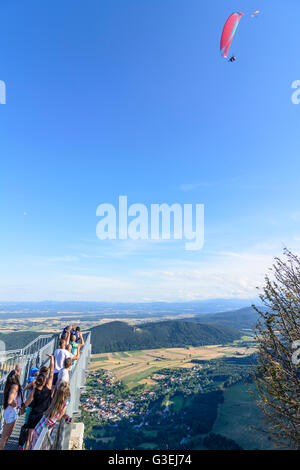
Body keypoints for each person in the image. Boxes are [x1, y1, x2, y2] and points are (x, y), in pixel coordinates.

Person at [24, 354, 54, 450]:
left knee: (29, 439)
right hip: (43, 416)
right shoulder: (48, 387)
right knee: (40, 439)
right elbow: (52, 373)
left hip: (33, 415)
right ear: (45, 381)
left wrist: (22, 406)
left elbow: (28, 402)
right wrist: (52, 359)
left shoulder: (34, 390)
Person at [30, 382, 71, 450]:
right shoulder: (66, 402)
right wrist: (66, 417)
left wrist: (65, 416)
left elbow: (57, 414)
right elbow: (59, 417)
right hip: (44, 433)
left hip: (39, 427)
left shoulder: (55, 400)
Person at [0, 364, 23, 450]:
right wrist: (14, 403)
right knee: (4, 438)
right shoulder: (15, 386)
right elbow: (10, 400)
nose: (20, 373)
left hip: (9, 412)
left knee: (5, 438)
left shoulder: (11, 384)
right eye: (19, 372)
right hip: (11, 413)